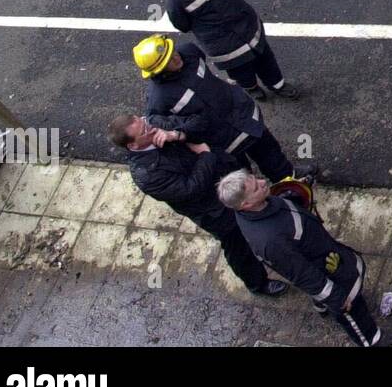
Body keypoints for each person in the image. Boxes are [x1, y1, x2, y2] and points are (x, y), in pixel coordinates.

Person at [107, 113, 288, 298]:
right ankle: (258, 283)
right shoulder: (147, 175)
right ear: (133, 145)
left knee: (263, 206)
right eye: (144, 130)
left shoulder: (156, 123)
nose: (151, 127)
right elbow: (191, 189)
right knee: (236, 244)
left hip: (226, 173)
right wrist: (205, 155)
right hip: (213, 209)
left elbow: (199, 121)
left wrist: (178, 134)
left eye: (144, 121)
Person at [218, 170, 383, 347]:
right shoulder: (271, 242)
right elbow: (302, 273)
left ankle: (321, 304)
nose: (263, 182)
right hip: (327, 271)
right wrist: (336, 297)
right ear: (246, 204)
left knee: (326, 294)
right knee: (352, 311)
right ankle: (372, 340)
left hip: (321, 254)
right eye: (256, 187)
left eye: (256, 179)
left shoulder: (257, 207)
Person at [132, 33, 296, 183]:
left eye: (172, 52)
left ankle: (289, 180)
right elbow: (156, 119)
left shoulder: (188, 52)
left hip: (244, 117)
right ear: (158, 72)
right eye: (168, 61)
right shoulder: (159, 97)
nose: (175, 57)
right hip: (224, 140)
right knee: (242, 178)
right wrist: (183, 129)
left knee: (271, 154)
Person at [152, 0, 299, 104]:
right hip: (224, 46)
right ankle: (251, 88)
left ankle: (277, 85)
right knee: (240, 72)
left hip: (247, 25)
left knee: (266, 58)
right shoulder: (176, 0)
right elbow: (182, 24)